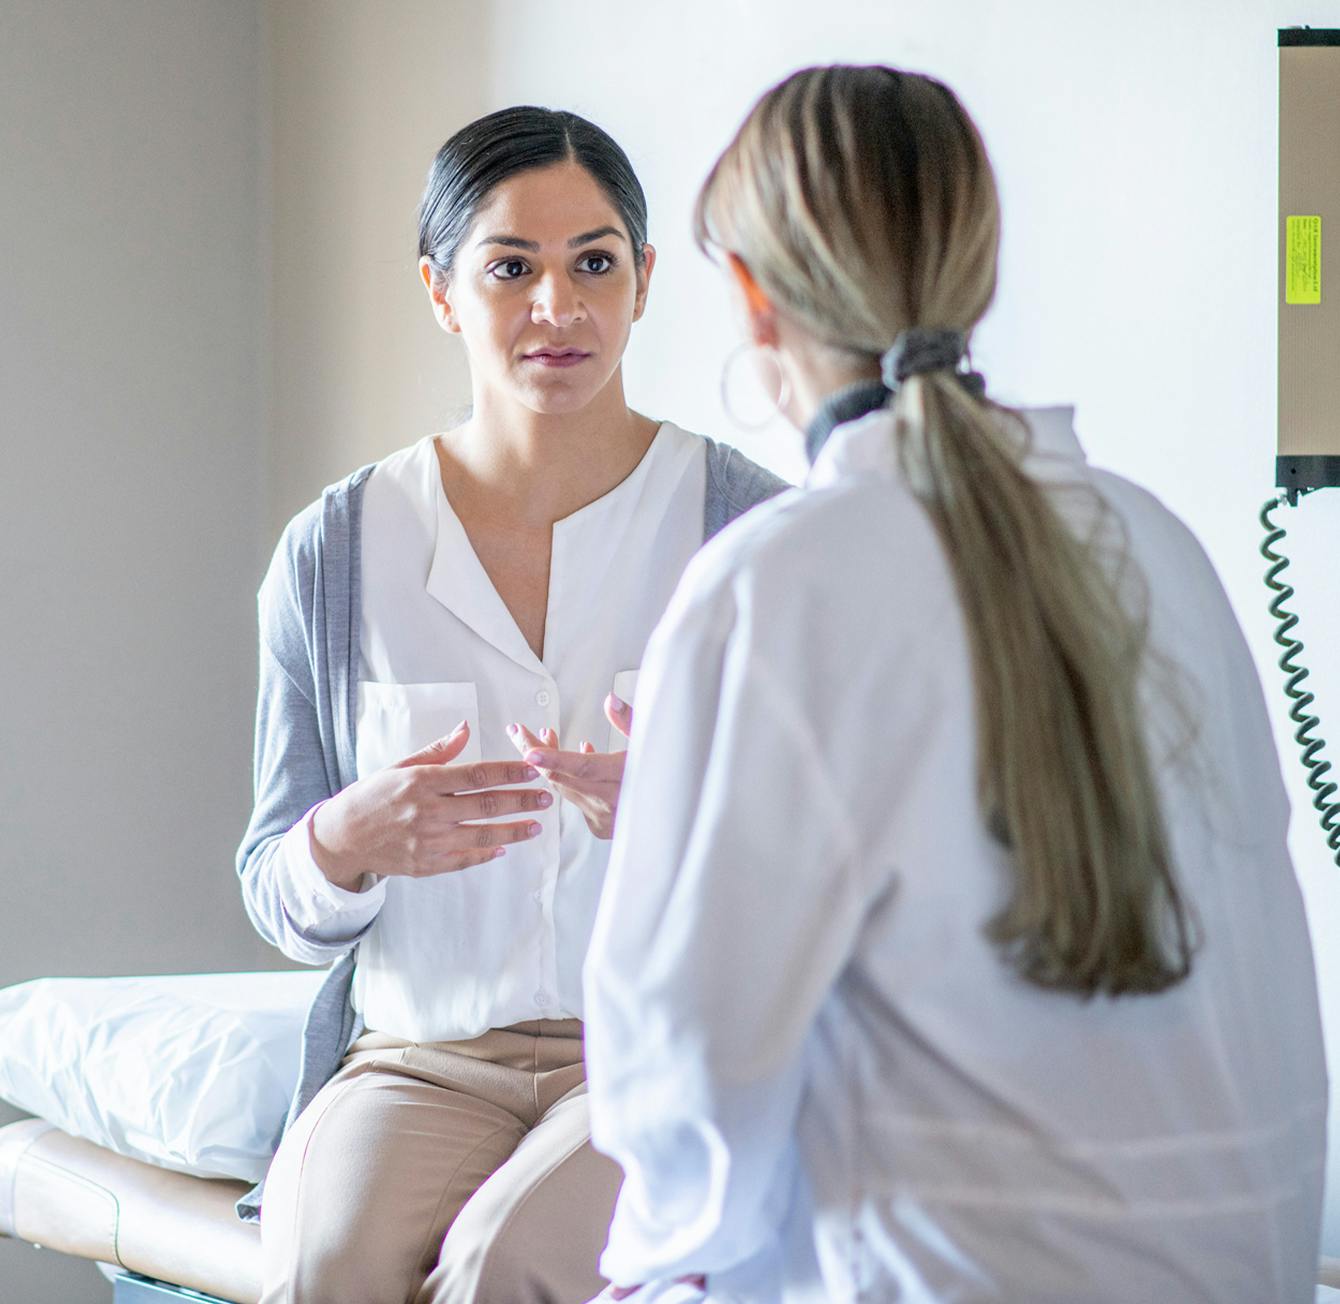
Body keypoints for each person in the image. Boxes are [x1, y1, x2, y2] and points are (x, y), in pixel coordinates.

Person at [581, 65, 1328, 1303]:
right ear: (973, 272)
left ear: (752, 300)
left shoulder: (775, 582)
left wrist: (650, 1263)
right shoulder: (1157, 544)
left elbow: (687, 1084)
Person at [234, 105, 786, 1304]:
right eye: (510, 268)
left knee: (501, 1265)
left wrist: (687, 821)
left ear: (644, 280)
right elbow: (275, 884)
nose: (558, 306)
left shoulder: (750, 532)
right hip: (415, 1058)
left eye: (594, 262)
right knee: (325, 1266)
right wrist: (343, 840)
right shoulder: (335, 553)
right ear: (440, 290)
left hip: (652, 1052)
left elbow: (833, 867)